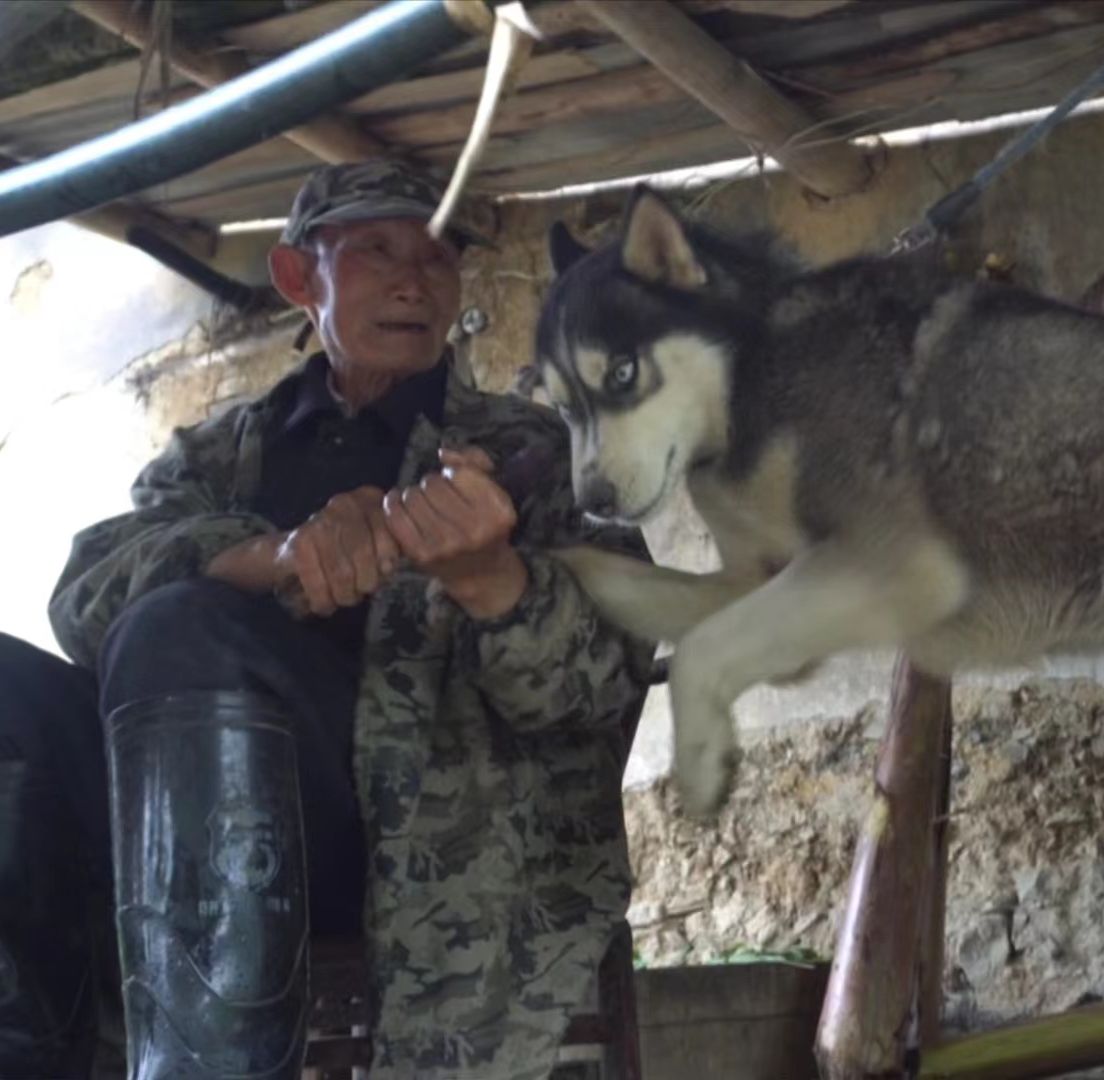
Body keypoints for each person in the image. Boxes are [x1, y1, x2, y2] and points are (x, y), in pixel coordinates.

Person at [0, 159, 653, 1079]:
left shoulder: (534, 454)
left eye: (438, 256)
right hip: (174, 843)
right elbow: (85, 591)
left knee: (178, 629)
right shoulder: (216, 456)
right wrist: (274, 558)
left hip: (417, 846)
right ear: (300, 279)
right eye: (377, 250)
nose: (413, 280)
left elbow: (600, 686)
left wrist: (489, 578)